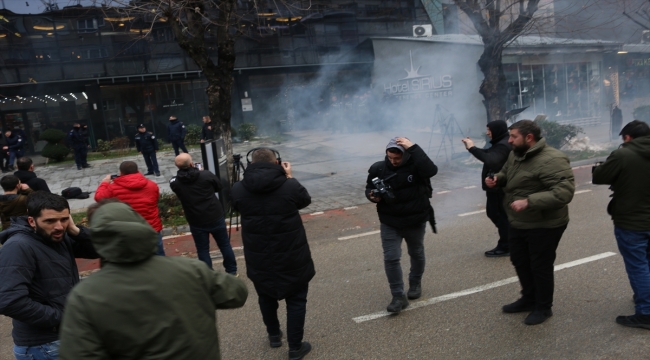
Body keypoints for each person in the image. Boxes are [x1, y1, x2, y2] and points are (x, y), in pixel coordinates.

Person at [58, 200, 248, 360]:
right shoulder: (190, 269)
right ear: (139, 224)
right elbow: (237, 293)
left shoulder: (86, 296)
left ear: (98, 237)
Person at [485, 119, 575, 325]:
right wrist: (497, 179)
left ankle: (543, 307)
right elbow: (506, 174)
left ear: (529, 138)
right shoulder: (515, 155)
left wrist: (529, 202)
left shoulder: (553, 159)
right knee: (520, 261)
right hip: (518, 221)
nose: (509, 141)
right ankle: (528, 298)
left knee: (540, 266)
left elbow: (564, 192)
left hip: (545, 224)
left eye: (513, 137)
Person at [231, 148, 314, 360]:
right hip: (292, 254)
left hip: (259, 255)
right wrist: (289, 176)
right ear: (276, 162)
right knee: (296, 300)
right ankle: (295, 348)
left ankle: (274, 335)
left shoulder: (239, 188)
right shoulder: (290, 185)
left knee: (266, 297)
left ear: (250, 164)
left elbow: (236, 206)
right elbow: (304, 200)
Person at [0, 191, 99, 360]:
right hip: (43, 346)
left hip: (61, 339)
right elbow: (9, 301)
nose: (59, 226)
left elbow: (103, 249)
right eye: (50, 221)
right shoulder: (19, 246)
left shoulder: (58, 236)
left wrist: (76, 230)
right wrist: (62, 317)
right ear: (32, 221)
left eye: (64, 219)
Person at [365, 137, 438, 314]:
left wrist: (413, 147)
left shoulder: (417, 166)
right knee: (391, 258)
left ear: (405, 155)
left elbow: (432, 170)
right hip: (390, 221)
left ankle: (415, 282)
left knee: (416, 252)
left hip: (415, 220)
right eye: (390, 157)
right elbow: (368, 188)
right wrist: (372, 196)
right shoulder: (378, 168)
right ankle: (398, 296)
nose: (393, 161)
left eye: (397, 158)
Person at [592, 120, 650, 330]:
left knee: (638, 266)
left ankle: (645, 313)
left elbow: (599, 177)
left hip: (632, 221)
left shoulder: (623, 155)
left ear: (627, 137)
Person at [170, 153, 237, 273]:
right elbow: (218, 187)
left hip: (195, 219)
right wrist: (200, 172)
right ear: (191, 164)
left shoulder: (174, 182)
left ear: (177, 167)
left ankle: (208, 274)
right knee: (224, 245)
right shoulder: (205, 175)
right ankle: (232, 271)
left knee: (202, 249)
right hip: (214, 215)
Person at [462, 120, 512, 257]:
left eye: (489, 130)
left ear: (497, 130)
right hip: (496, 187)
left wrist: (472, 148)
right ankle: (510, 241)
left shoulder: (503, 145)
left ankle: (506, 245)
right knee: (497, 214)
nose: (487, 132)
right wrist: (471, 148)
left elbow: (491, 160)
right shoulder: (501, 143)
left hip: (499, 188)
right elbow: (489, 153)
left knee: (500, 216)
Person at [94, 161, 165, 256]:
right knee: (158, 255)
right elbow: (155, 200)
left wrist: (105, 183)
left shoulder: (112, 188)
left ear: (121, 173)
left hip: (127, 230)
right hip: (151, 227)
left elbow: (99, 198)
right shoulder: (152, 185)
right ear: (138, 170)